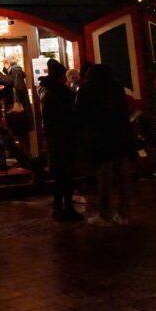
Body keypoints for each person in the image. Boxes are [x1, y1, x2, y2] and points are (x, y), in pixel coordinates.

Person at [76, 64, 135, 226]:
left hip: (100, 138)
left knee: (105, 177)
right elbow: (124, 110)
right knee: (123, 177)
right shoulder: (116, 87)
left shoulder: (87, 89)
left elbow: (80, 114)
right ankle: (124, 213)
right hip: (120, 136)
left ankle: (105, 214)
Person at [39, 59, 83, 221]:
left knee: (59, 176)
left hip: (55, 140)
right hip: (65, 139)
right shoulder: (65, 95)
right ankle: (66, 207)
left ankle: (59, 208)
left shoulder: (48, 94)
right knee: (66, 175)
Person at [4, 55, 33, 156]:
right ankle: (25, 155)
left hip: (19, 109)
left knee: (22, 134)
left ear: (8, 63)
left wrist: (15, 103)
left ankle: (26, 156)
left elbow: (17, 88)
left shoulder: (15, 72)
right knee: (22, 134)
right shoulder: (16, 72)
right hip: (21, 107)